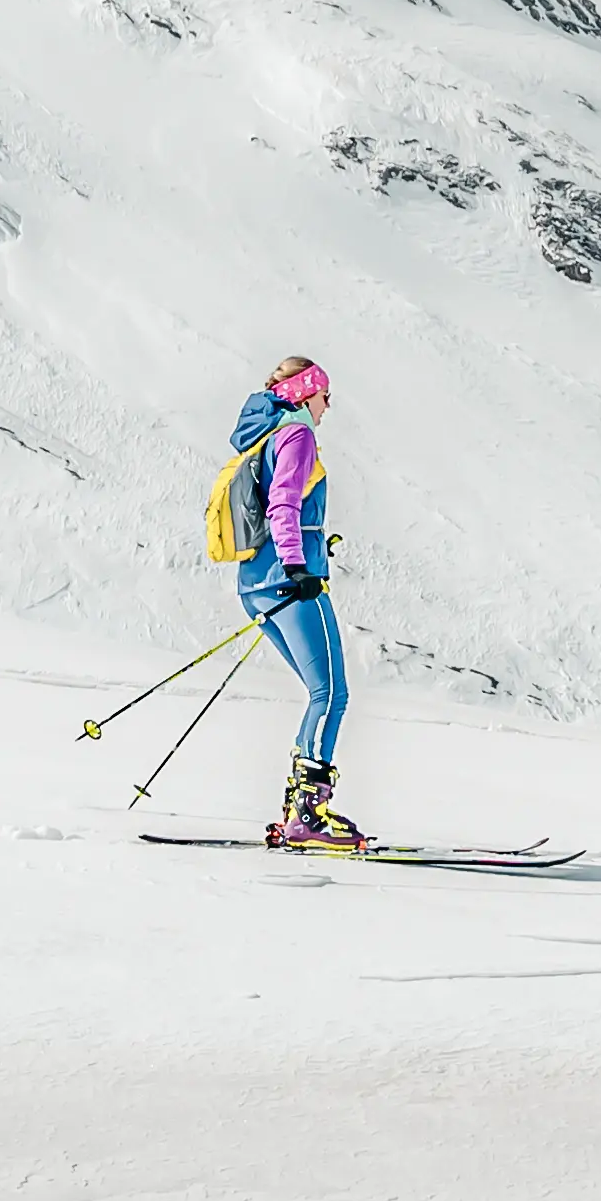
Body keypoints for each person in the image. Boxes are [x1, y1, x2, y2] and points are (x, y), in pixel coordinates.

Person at [229, 356, 368, 852]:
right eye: (325, 396)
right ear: (308, 393)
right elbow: (282, 504)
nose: (328, 406)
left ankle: (300, 810)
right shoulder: (297, 434)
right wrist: (297, 565)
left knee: (319, 693)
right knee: (331, 695)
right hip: (289, 582)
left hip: (256, 583)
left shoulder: (266, 433)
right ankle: (308, 814)